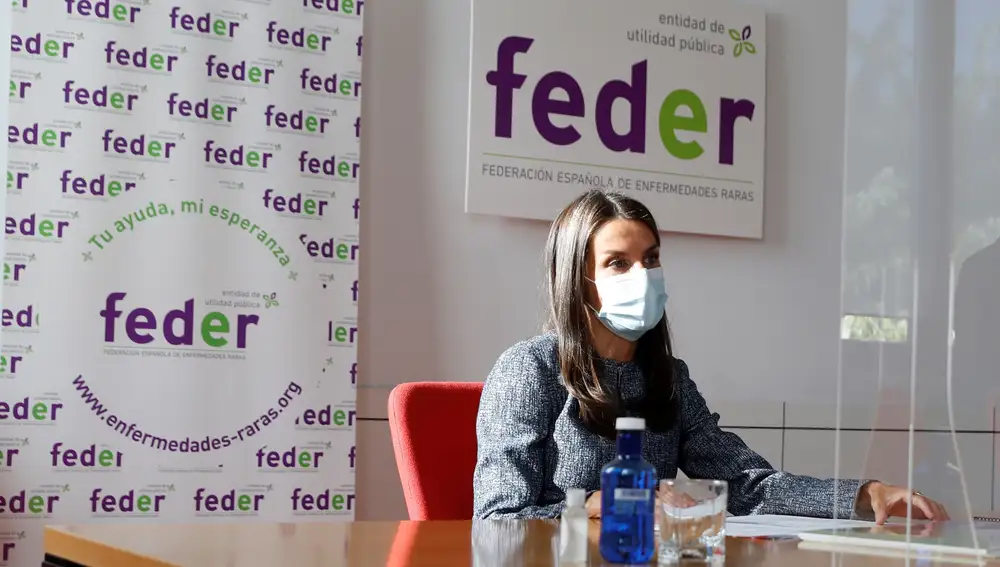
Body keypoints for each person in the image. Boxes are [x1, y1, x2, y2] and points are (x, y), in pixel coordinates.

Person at [472, 190, 949, 523]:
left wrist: (863, 496)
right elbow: (497, 517)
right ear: (578, 280)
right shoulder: (529, 370)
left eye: (651, 259)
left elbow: (748, 485)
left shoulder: (668, 378)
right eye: (618, 262)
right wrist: (592, 504)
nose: (642, 275)